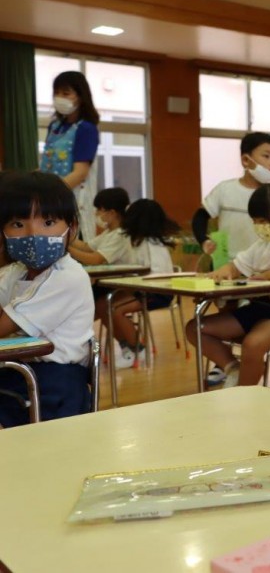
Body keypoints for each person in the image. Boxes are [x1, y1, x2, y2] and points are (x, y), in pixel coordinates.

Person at [187, 184, 270, 388]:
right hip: (256, 309)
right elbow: (235, 266)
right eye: (255, 221)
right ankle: (233, 368)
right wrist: (217, 274)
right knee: (195, 328)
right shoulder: (261, 246)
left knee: (252, 344)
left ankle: (243, 396)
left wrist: (265, 275)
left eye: (262, 221)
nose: (258, 226)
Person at [0, 171, 95, 427]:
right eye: (19, 225)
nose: (34, 235)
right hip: (21, 372)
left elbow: (3, 327)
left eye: (48, 222)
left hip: (55, 384)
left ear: (72, 228)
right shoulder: (16, 272)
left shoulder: (66, 278)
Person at [102, 199, 180, 369]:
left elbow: (156, 277)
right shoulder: (138, 241)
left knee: (116, 309)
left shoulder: (153, 244)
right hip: (141, 289)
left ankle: (138, 349)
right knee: (104, 306)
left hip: (158, 292)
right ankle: (127, 348)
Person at [192, 132, 270, 261]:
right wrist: (204, 241)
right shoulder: (225, 189)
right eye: (266, 156)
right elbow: (200, 217)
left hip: (263, 265)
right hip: (227, 263)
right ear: (245, 160)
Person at [40, 71, 101, 240]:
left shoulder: (86, 129)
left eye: (66, 93)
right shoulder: (54, 126)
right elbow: (46, 164)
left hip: (72, 202)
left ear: (80, 97)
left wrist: (50, 192)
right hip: (49, 202)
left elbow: (80, 173)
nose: (60, 97)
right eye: (56, 93)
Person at [68, 187, 131, 267]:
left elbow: (95, 259)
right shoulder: (109, 232)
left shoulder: (120, 235)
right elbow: (86, 247)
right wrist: (65, 237)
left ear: (112, 213)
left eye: (99, 209)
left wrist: (66, 250)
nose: (96, 213)